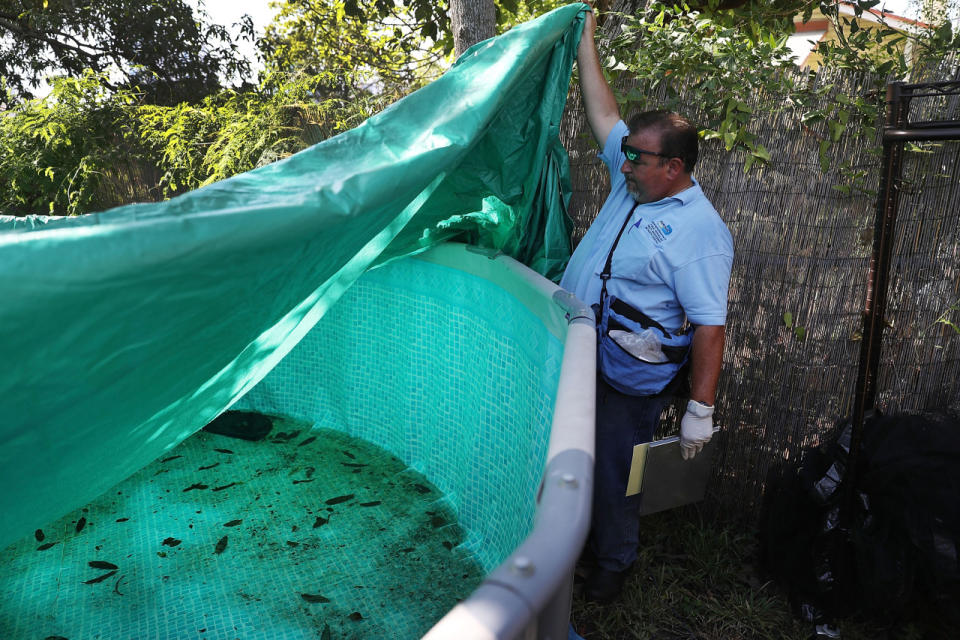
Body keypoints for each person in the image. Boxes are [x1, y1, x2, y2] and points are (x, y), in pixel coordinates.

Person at [560, 5, 734, 603]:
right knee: (570, 453)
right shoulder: (633, 178)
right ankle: (572, 542)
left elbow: (711, 324)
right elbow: (602, 112)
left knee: (616, 467)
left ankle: (614, 562)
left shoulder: (700, 233)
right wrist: (585, 38)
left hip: (630, 370)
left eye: (637, 157)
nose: (623, 162)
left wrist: (700, 410)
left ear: (676, 168)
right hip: (581, 351)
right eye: (625, 152)